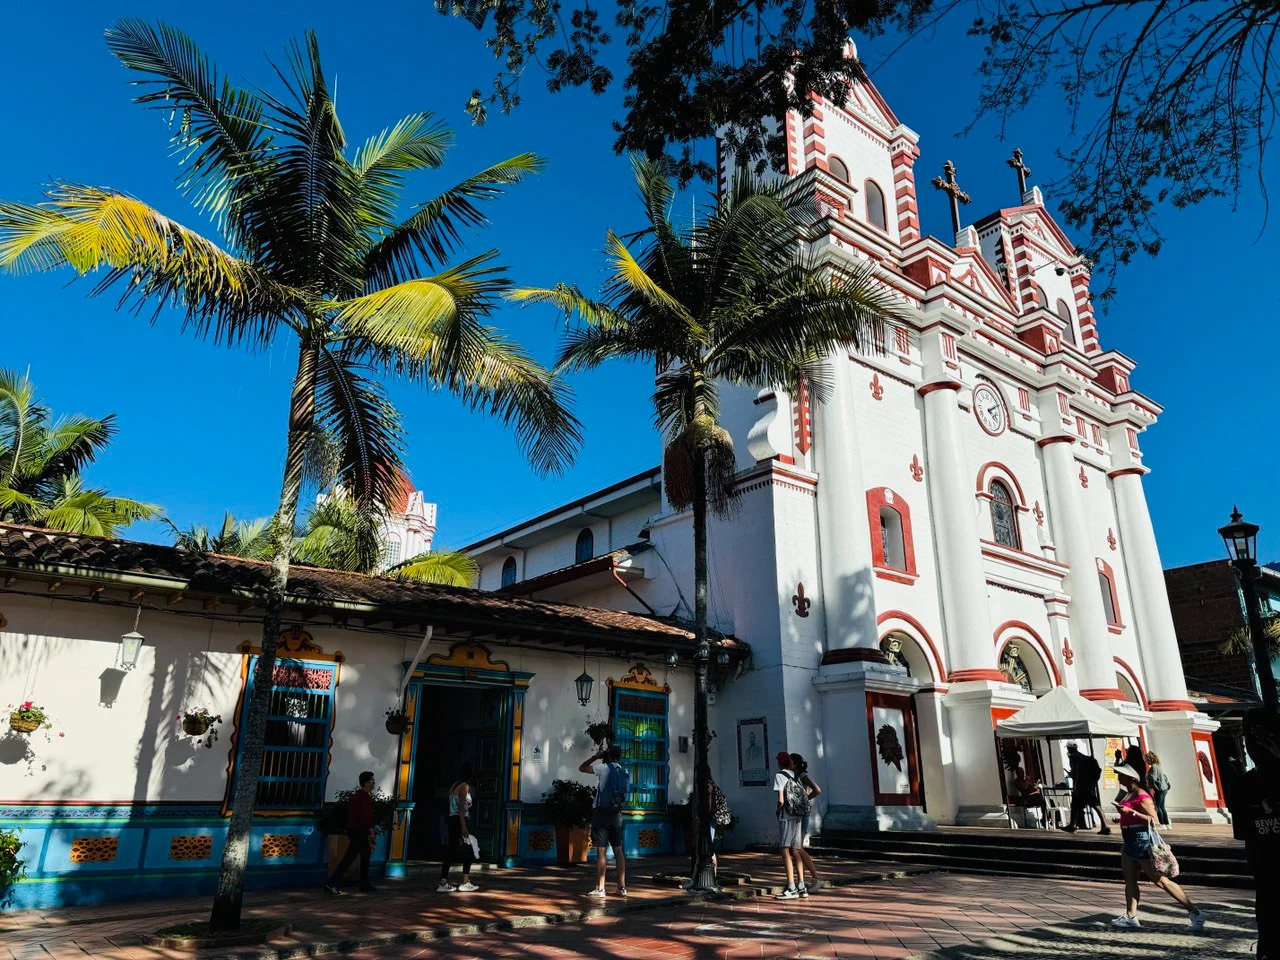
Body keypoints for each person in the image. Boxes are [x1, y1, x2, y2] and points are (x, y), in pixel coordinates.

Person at [1109, 763, 1206, 931]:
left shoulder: (1142, 795)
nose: (1119, 778)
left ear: (1131, 778)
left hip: (1142, 840)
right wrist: (1122, 818)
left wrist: (1131, 813)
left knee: (1160, 881)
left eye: (1121, 775)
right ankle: (1131, 916)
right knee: (1130, 880)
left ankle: (1195, 912)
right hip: (1129, 841)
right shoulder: (1128, 794)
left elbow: (1154, 821)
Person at [1228, 709, 1280, 960]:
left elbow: (1244, 832)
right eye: (1249, 738)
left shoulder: (1243, 784)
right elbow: (1243, 831)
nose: (1252, 745)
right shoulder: (1242, 785)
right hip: (1267, 877)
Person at [580, 743, 629, 898]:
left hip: (602, 813)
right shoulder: (625, 771)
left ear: (608, 755)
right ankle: (621, 887)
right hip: (617, 813)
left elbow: (582, 767)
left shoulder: (603, 768)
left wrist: (596, 756)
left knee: (602, 850)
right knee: (618, 850)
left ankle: (601, 888)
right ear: (620, 756)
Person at [324, 770, 378, 895]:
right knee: (354, 857)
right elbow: (366, 816)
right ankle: (333, 883)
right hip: (358, 831)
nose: (374, 783)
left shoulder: (359, 796)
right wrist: (371, 831)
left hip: (354, 830)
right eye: (372, 781)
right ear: (365, 783)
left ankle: (363, 883)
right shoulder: (363, 798)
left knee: (359, 856)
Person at [438, 762, 479, 893]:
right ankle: (465, 881)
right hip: (460, 820)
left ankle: (443, 881)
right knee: (469, 849)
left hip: (452, 819)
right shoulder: (465, 786)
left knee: (451, 850)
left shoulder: (454, 785)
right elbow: (461, 809)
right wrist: (464, 827)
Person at [773, 751, 809, 899]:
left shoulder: (779, 775)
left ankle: (791, 886)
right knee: (796, 850)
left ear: (780, 762)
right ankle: (802, 886)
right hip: (798, 816)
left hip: (786, 816)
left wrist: (777, 811)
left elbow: (781, 800)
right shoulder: (796, 775)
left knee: (784, 850)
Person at [789, 753, 824, 891]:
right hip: (799, 813)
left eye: (790, 761)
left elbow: (817, 789)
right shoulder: (793, 776)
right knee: (795, 849)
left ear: (796, 764)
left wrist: (806, 799)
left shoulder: (802, 776)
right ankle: (802, 880)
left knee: (797, 848)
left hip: (803, 814)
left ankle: (816, 878)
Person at [1063, 743, 1110, 834]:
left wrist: (1075, 785)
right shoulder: (1084, 757)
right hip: (1089, 785)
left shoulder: (1073, 757)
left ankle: (1072, 825)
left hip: (1081, 785)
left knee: (1075, 805)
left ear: (1069, 748)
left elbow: (1076, 772)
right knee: (1095, 805)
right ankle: (1105, 825)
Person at [1145, 751, 1171, 827]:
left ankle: (1162, 824)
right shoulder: (1158, 766)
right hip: (1164, 789)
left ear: (1149, 759)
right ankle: (1167, 824)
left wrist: (1147, 777)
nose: (1146, 761)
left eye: (1146, 759)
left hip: (1159, 789)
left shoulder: (1153, 767)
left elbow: (1153, 777)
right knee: (1162, 807)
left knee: (1157, 807)